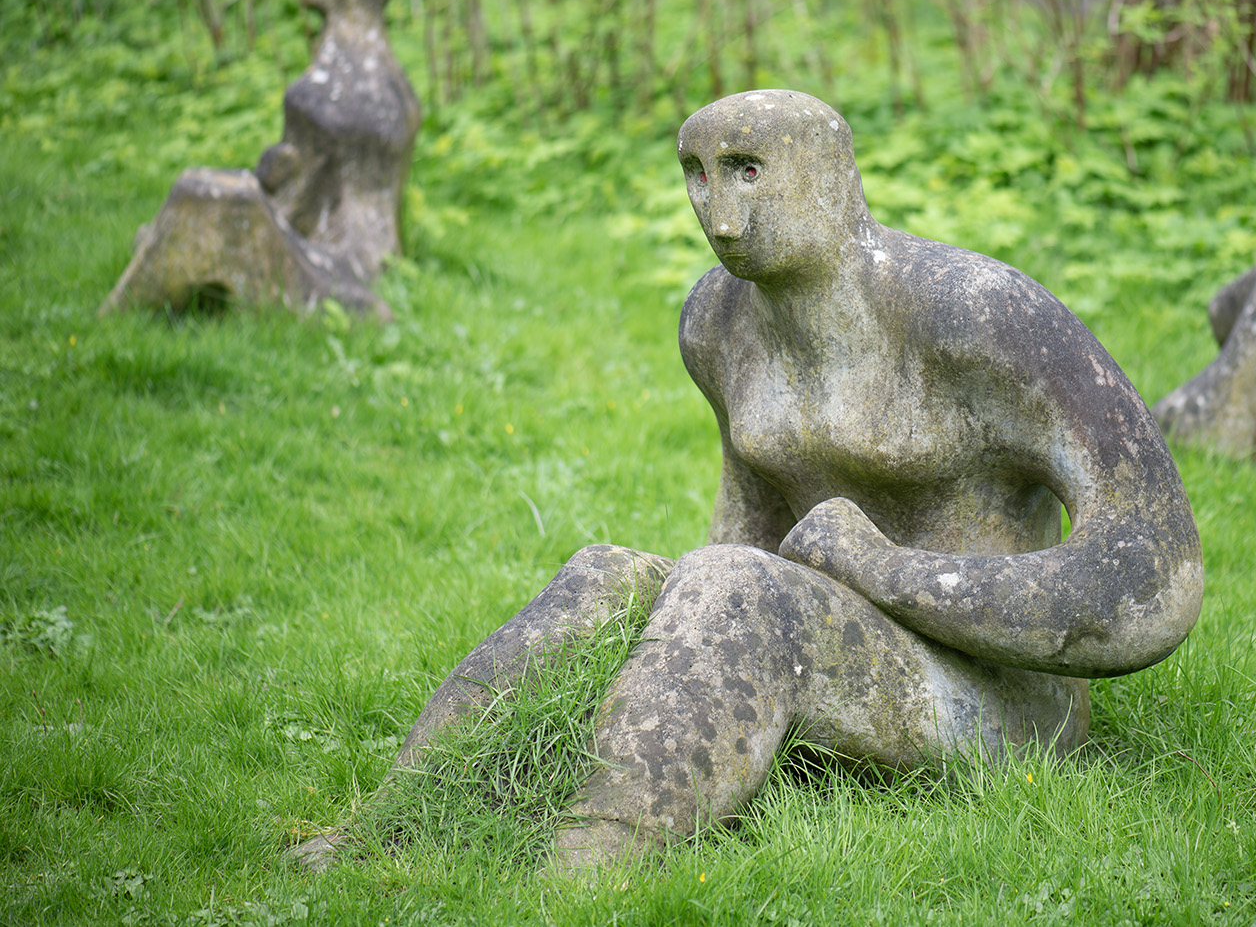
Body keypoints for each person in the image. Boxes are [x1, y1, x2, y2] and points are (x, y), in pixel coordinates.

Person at [350, 89, 1203, 869]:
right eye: (698, 175)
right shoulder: (717, 322)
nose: (719, 216)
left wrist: (884, 570)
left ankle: (582, 872)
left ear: (829, 176)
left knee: (738, 592)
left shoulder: (978, 315)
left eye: (748, 172)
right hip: (826, 644)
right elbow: (748, 524)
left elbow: (1153, 573)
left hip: (997, 698)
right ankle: (395, 826)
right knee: (601, 575)